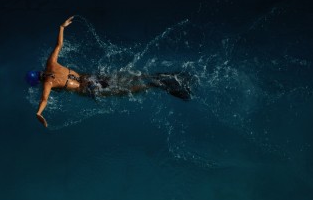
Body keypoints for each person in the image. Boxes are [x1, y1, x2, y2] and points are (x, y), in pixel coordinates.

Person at [26, 15, 191, 128]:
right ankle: (165, 76)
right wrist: (62, 27)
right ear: (39, 71)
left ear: (38, 81)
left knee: (124, 91)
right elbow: (58, 45)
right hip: (89, 78)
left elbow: (44, 99)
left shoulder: (48, 84)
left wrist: (39, 113)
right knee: (121, 78)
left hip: (88, 89)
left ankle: (159, 85)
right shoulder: (51, 63)